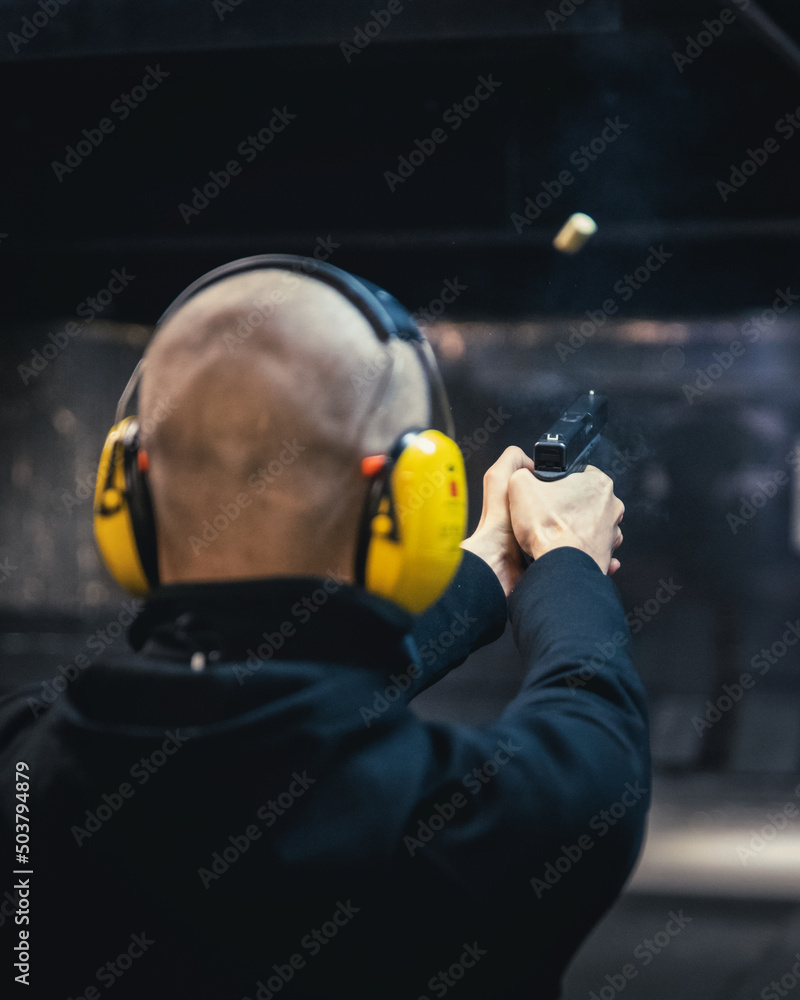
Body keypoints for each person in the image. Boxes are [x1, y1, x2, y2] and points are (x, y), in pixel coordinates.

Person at [0, 257, 649, 1000]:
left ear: (126, 496)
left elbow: (261, 687)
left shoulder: (24, 762)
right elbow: (592, 719)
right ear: (411, 503)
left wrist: (484, 567)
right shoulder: (467, 827)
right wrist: (566, 556)